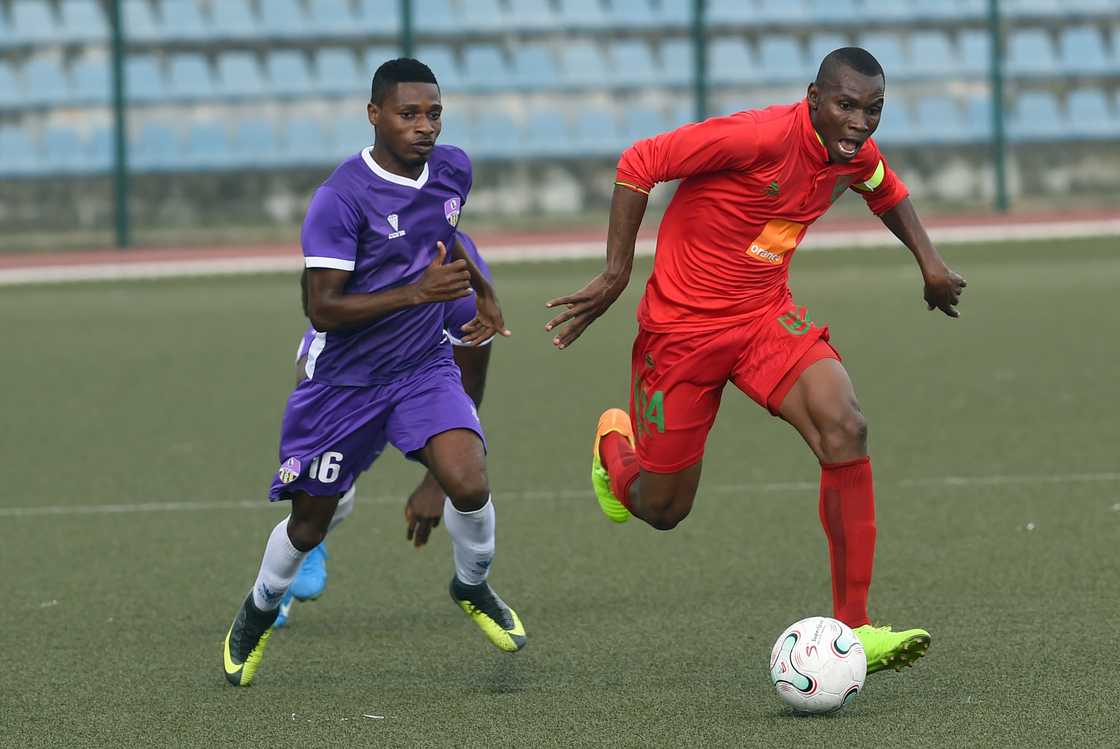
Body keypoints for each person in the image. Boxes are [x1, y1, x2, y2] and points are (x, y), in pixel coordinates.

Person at [545, 48, 966, 675]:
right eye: (845, 106)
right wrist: (615, 274)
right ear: (814, 98)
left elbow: (885, 190)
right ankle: (614, 448)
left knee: (845, 425)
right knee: (663, 510)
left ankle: (857, 628)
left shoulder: (851, 155)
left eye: (872, 110)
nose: (859, 122)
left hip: (764, 316)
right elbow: (640, 162)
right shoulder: (758, 136)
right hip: (681, 331)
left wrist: (929, 263)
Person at [222, 59, 525, 688]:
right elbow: (323, 309)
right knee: (310, 523)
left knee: (468, 483)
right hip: (344, 386)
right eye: (408, 114)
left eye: (433, 113)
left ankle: (472, 588)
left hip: (421, 369)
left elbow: (451, 235)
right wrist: (418, 294)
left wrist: (485, 293)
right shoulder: (340, 199)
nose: (424, 127)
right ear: (374, 115)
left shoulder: (453, 168)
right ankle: (256, 610)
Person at [274, 230, 497, 628]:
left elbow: (470, 384)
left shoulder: (463, 288)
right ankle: (305, 551)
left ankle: (473, 586)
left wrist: (435, 482)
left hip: (420, 377)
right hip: (344, 369)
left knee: (463, 474)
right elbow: (318, 309)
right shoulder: (353, 236)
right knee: (324, 485)